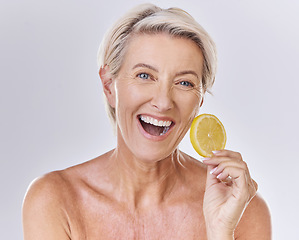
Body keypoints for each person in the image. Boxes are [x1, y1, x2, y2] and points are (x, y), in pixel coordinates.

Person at [22, 3, 271, 239]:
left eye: (184, 82)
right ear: (109, 85)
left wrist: (220, 233)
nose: (163, 102)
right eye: (145, 75)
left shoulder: (243, 210)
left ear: (200, 100)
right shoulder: (55, 200)